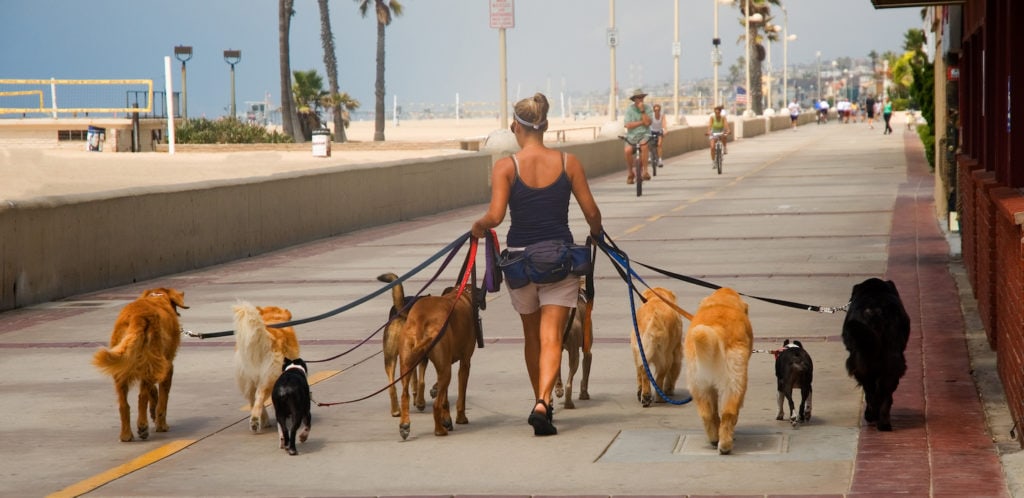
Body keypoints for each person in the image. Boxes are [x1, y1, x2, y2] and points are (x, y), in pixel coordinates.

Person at [470, 93, 603, 436]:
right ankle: (544, 402)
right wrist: (597, 233)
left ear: (517, 127)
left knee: (531, 337)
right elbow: (591, 212)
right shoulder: (569, 163)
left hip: (520, 264)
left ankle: (539, 401)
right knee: (551, 338)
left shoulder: (506, 166)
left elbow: (496, 216)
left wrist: (478, 226)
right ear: (545, 126)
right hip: (559, 260)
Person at [623, 89, 653, 184]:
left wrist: (642, 111)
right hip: (632, 136)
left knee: (644, 145)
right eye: (638, 98)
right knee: (627, 150)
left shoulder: (647, 108)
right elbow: (627, 125)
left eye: (641, 97)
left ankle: (645, 171)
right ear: (634, 99)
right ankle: (630, 172)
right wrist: (641, 122)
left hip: (644, 134)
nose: (640, 99)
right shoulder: (629, 110)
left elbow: (648, 123)